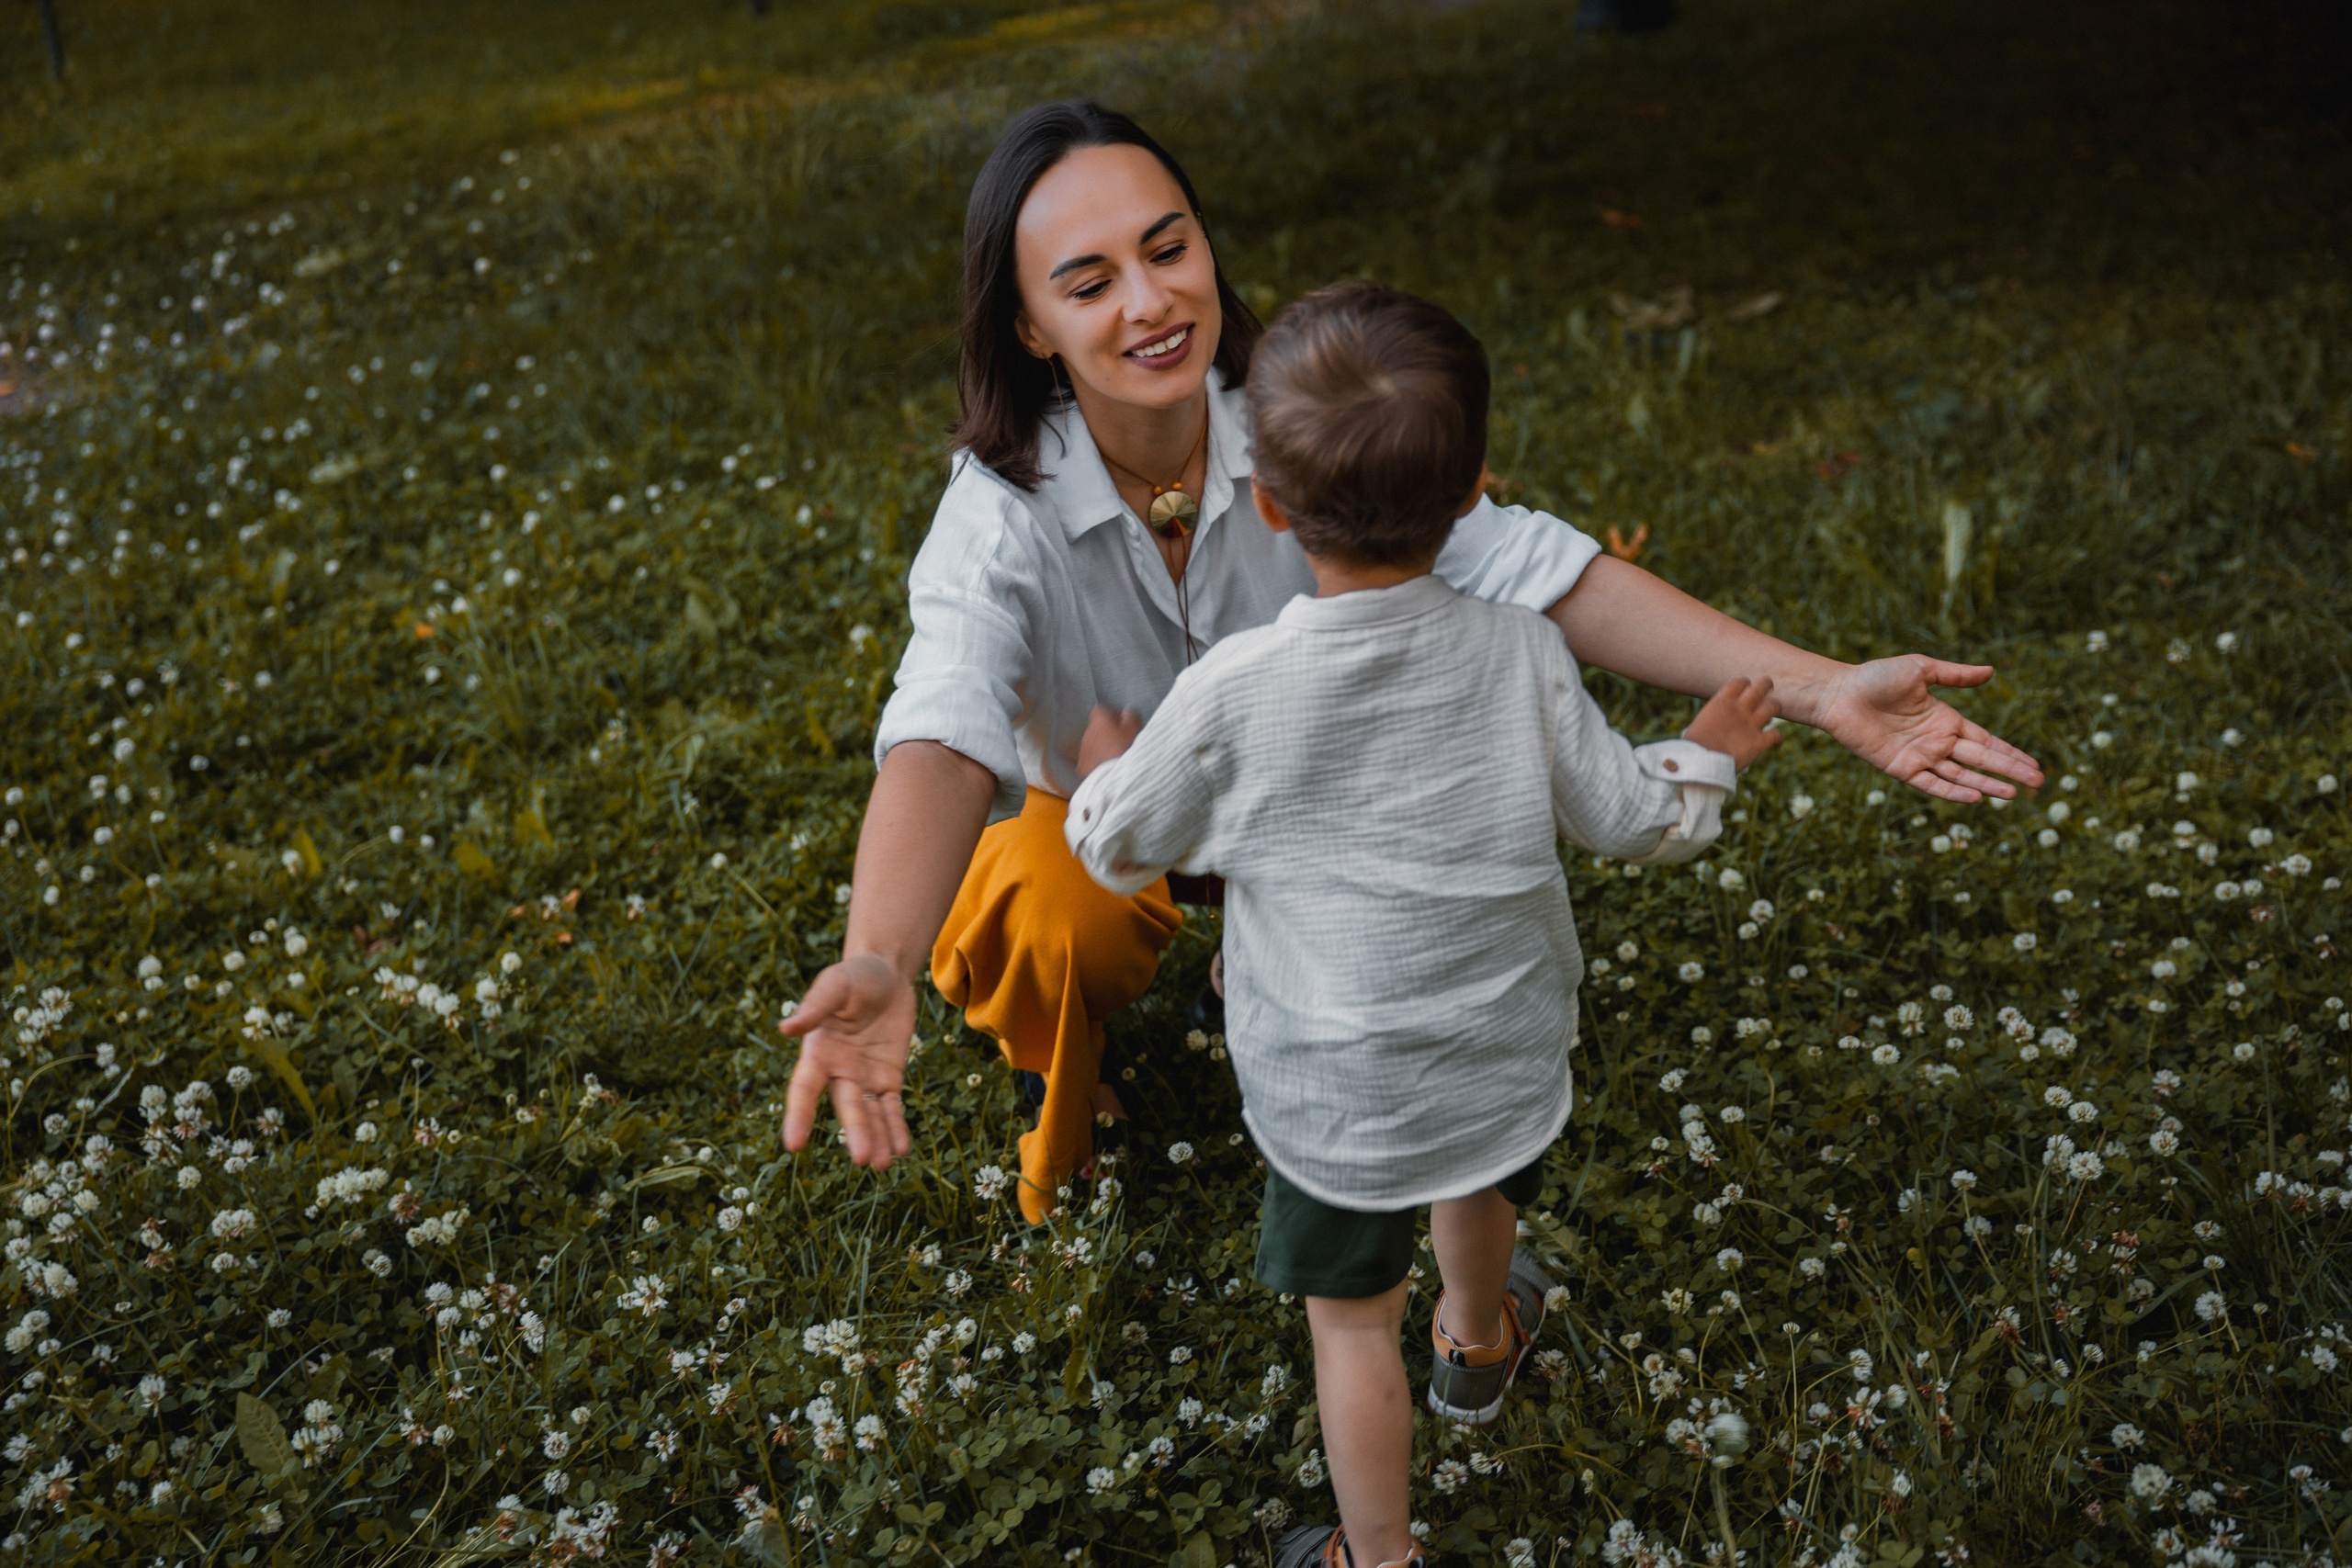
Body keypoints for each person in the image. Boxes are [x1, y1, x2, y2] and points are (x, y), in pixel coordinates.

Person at [775, 98, 2041, 1222]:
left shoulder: (1304, 418)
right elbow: (944, 726)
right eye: (1090, 280)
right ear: (1033, 326)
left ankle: (1264, 959)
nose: (1153, 301)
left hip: (1318, 791)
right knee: (1053, 918)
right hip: (1113, 810)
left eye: (1169, 248)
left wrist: (1824, 692)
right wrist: (879, 954)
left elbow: (1546, 572)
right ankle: (1077, 1066)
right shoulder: (998, 510)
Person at [1063, 281, 1779, 1568]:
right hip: (1495, 1041)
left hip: (1333, 1083)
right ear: (1474, 493)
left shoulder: (1231, 686)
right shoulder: (1521, 652)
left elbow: (1118, 847)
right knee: (1479, 1182)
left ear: (1270, 510)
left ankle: (1375, 1557)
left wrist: (1113, 765)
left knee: (1349, 1327)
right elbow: (1633, 819)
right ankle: (1478, 1344)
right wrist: (1709, 754)